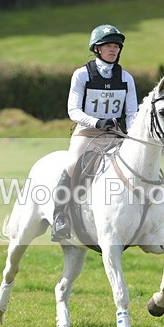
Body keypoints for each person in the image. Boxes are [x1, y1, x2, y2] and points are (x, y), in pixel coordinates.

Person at [51, 24, 139, 241]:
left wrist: (133, 135)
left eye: (116, 46)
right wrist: (96, 122)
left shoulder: (126, 78)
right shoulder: (82, 74)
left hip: (115, 134)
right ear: (97, 48)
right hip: (87, 132)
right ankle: (60, 216)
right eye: (108, 45)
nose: (113, 49)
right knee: (73, 164)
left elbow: (131, 113)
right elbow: (73, 110)